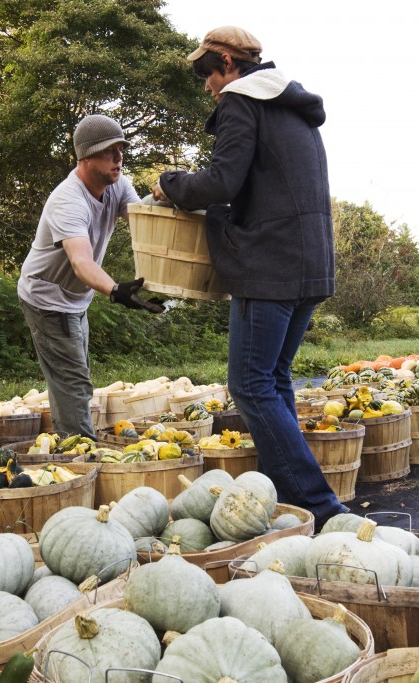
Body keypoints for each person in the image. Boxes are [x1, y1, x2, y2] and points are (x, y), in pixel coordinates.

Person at [152, 26, 348, 527]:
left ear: (227, 62)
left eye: (205, 71)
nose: (205, 84)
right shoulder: (293, 105)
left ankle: (320, 506)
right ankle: (286, 501)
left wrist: (169, 184)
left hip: (271, 266)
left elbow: (222, 181)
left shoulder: (243, 100)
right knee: (274, 377)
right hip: (310, 263)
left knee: (250, 383)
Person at [18, 114, 163, 438]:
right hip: (46, 298)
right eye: (110, 151)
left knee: (71, 374)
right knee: (74, 380)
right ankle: (81, 454)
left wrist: (170, 194)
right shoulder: (68, 200)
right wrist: (115, 290)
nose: (119, 158)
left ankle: (70, 444)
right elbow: (81, 262)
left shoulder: (118, 184)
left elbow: (144, 221)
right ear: (85, 157)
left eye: (122, 149)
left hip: (75, 299)